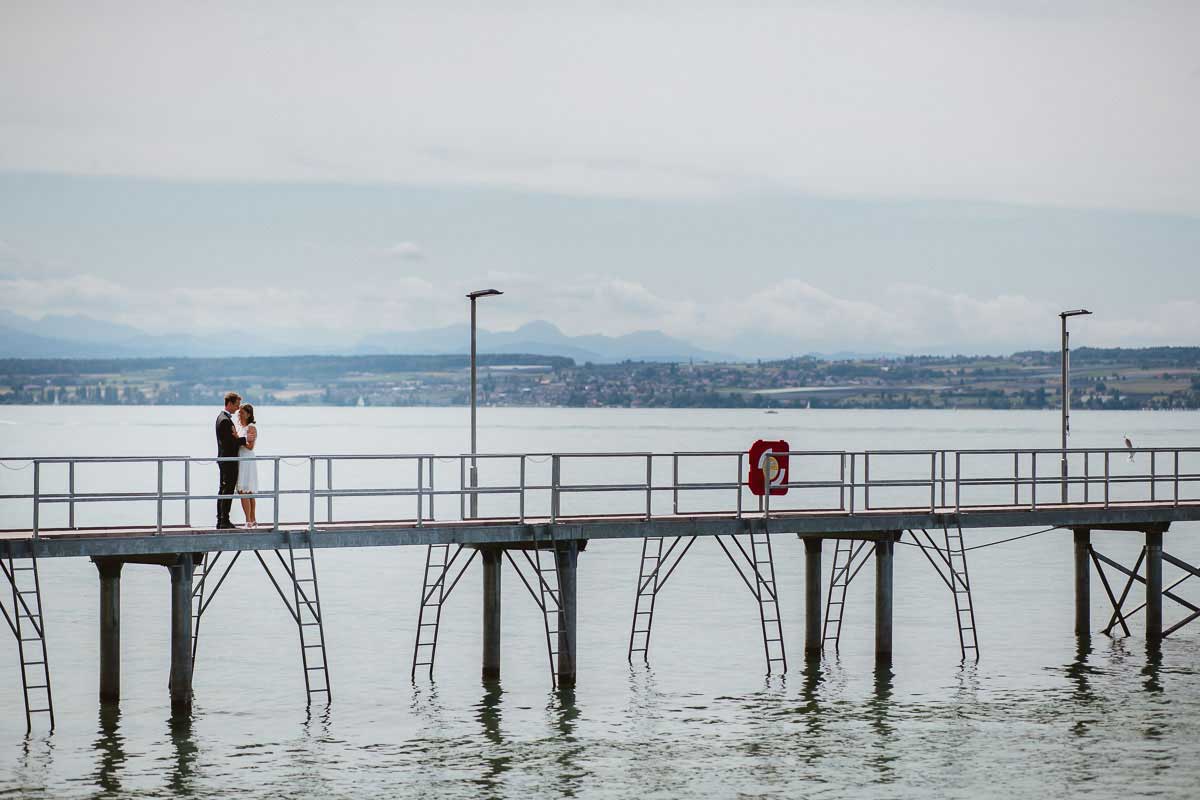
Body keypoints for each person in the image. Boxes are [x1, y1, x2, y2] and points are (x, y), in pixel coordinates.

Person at [214, 392, 247, 529]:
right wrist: (244, 440)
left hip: (225, 459)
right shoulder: (225, 421)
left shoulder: (222, 418)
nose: (238, 408)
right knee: (226, 490)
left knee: (224, 489)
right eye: (236, 405)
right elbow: (229, 444)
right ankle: (224, 520)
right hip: (228, 460)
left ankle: (221, 519)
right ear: (230, 403)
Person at [235, 404, 260, 527]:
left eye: (242, 413)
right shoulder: (240, 427)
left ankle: (249, 520)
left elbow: (250, 446)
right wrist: (239, 439)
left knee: (245, 490)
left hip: (247, 459)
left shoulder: (251, 427)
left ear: (249, 414)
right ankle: (252, 520)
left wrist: (239, 439)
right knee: (246, 490)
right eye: (239, 412)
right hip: (241, 458)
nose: (240, 414)